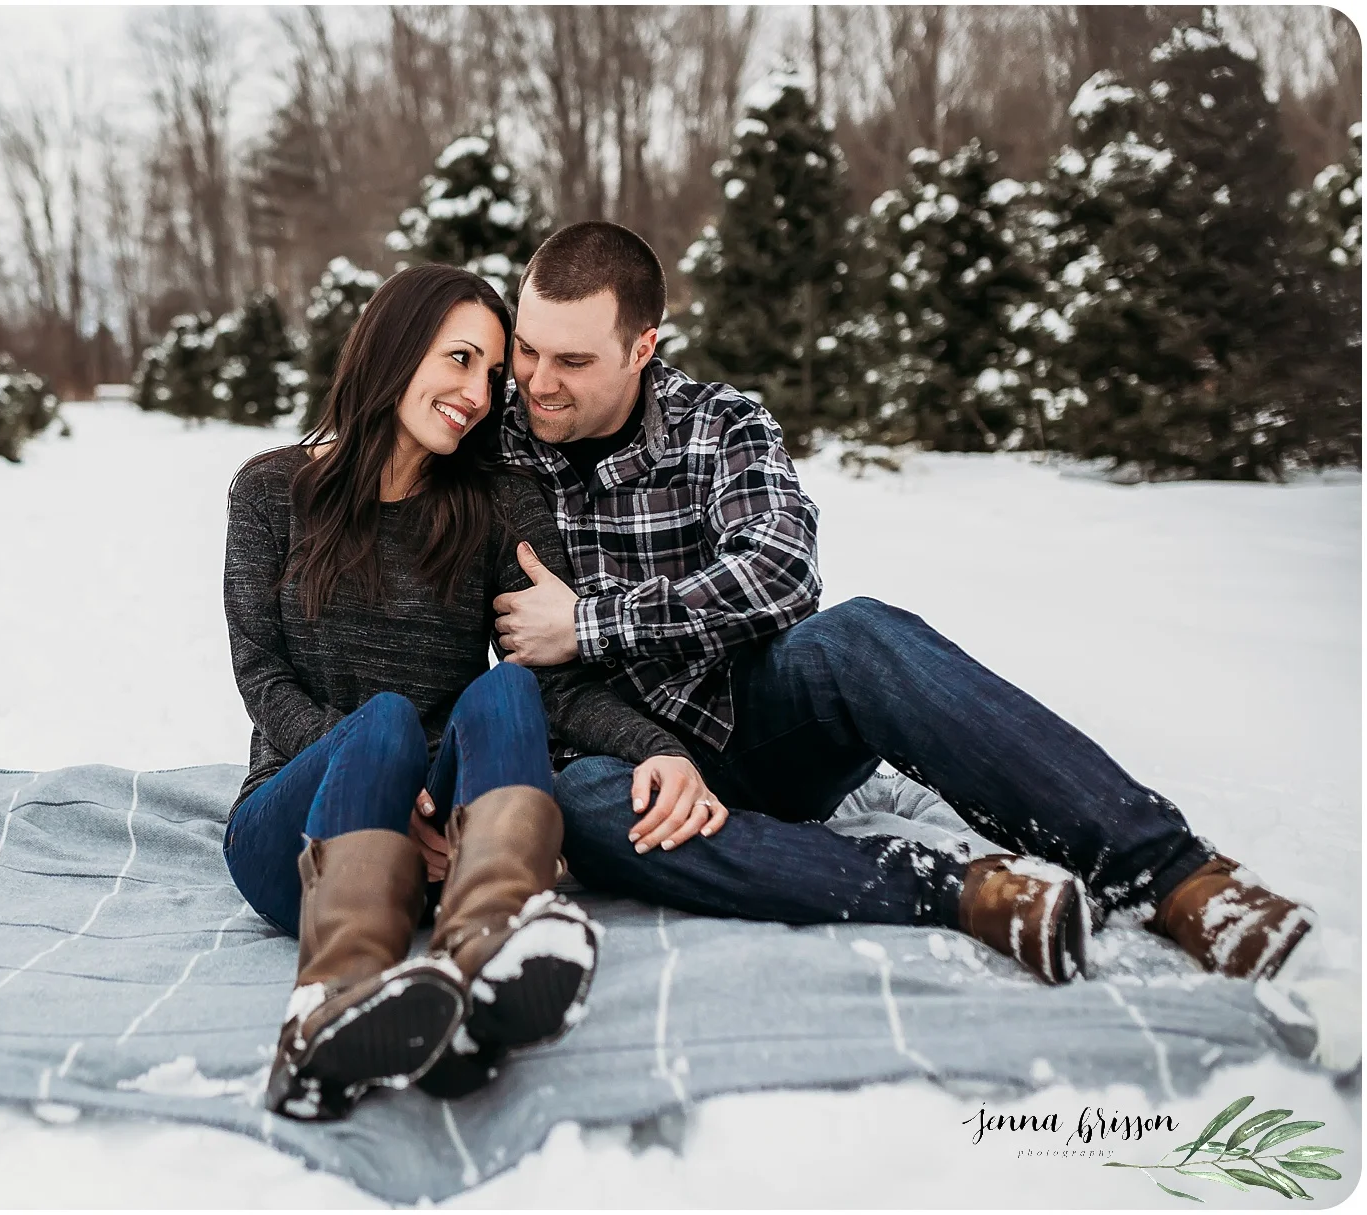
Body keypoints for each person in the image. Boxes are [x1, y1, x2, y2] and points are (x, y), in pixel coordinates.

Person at [491, 220, 1314, 987]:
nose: (538, 382)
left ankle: (1175, 877)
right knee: (580, 804)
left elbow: (780, 572)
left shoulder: (718, 425)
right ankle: (964, 890)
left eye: (573, 361)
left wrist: (592, 623)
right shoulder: (499, 443)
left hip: (754, 725)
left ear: (642, 347)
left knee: (857, 635)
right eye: (527, 349)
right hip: (624, 768)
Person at [222, 262, 715, 1121]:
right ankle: (321, 1012)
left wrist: (661, 748)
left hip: (439, 855)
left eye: (492, 375)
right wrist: (389, 787)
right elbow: (260, 674)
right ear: (394, 345)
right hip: (291, 838)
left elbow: (554, 683)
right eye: (459, 359)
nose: (479, 396)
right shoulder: (272, 490)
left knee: (507, 688)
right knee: (382, 722)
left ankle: (488, 945)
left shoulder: (494, 502)